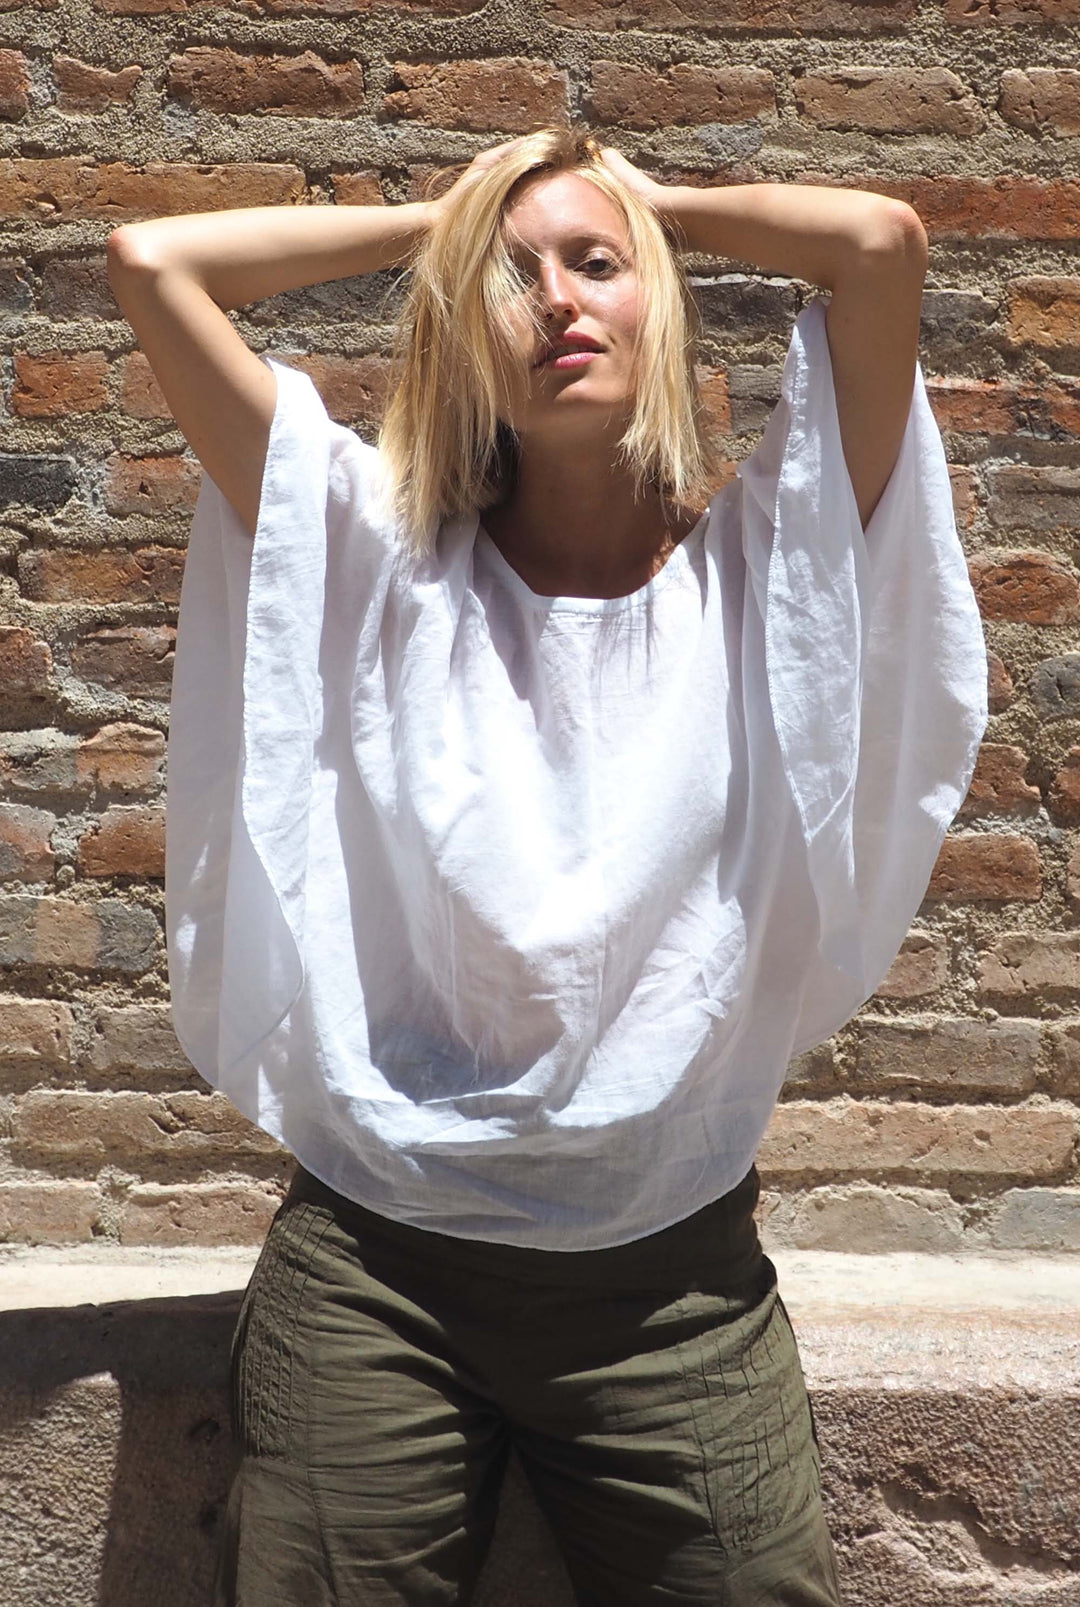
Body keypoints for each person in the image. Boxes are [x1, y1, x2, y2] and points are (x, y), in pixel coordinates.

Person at [107, 122, 988, 1605]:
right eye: (513, 282)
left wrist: (657, 207)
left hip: (673, 1282)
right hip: (377, 1268)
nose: (562, 302)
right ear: (463, 327)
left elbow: (879, 243)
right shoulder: (371, 558)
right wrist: (443, 227)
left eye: (597, 268)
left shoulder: (774, 572)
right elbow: (153, 259)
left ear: (660, 296)